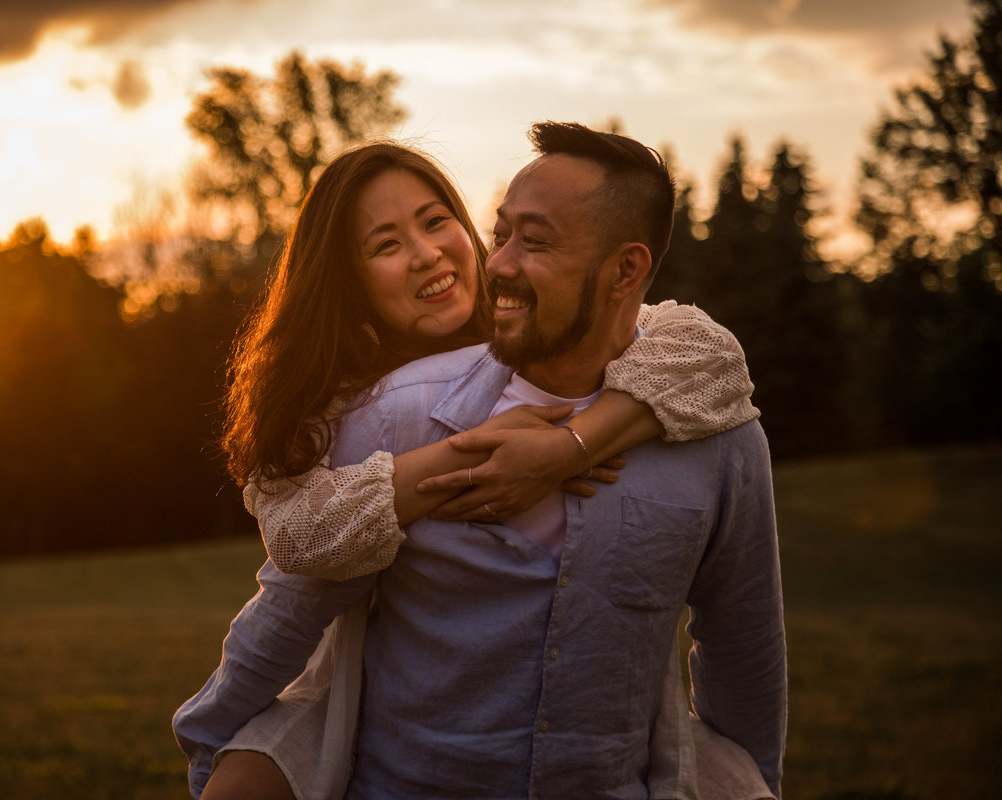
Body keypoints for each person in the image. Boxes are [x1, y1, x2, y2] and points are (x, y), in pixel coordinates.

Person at [175, 130, 783, 798]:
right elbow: (294, 551)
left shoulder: (686, 392)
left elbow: (713, 355)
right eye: (386, 244)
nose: (430, 254)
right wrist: (453, 464)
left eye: (439, 223)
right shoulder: (373, 412)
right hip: (350, 704)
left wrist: (566, 447)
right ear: (351, 287)